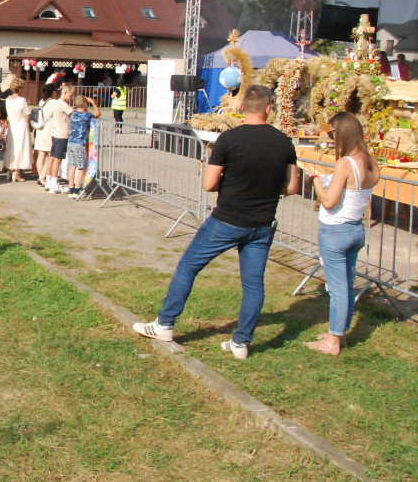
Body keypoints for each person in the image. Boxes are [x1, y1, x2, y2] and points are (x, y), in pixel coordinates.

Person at [132, 85, 302, 359]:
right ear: (269, 108)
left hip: (227, 219)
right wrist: (270, 187)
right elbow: (293, 186)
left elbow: (209, 184)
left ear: (242, 107)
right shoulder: (284, 142)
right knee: (254, 283)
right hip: (261, 223)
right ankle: (241, 342)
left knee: (188, 266)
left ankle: (165, 324)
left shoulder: (228, 139)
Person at [304, 112, 379, 356]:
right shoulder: (370, 161)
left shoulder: (346, 163)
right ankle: (339, 332)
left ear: (342, 133)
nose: (331, 139)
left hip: (335, 231)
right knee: (346, 285)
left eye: (332, 134)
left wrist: (316, 181)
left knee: (337, 288)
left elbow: (328, 201)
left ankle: (333, 341)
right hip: (356, 230)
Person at [65, 95, 101, 198]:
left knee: (72, 166)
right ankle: (76, 190)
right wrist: (93, 103)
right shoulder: (86, 115)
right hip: (80, 144)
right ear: (85, 104)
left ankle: (71, 188)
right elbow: (98, 114)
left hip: (71, 142)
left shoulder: (73, 114)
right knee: (81, 167)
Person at [42, 84, 74, 194]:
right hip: (62, 134)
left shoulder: (55, 103)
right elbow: (73, 113)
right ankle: (54, 184)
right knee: (57, 159)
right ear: (65, 93)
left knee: (52, 157)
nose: (72, 97)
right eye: (71, 95)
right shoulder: (62, 104)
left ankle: (49, 180)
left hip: (56, 132)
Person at [3, 77, 32, 182]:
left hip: (12, 125)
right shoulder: (22, 100)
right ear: (20, 89)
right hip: (21, 125)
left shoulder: (7, 100)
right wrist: (29, 124)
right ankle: (18, 172)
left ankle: (10, 169)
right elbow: (27, 114)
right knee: (21, 148)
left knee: (12, 148)